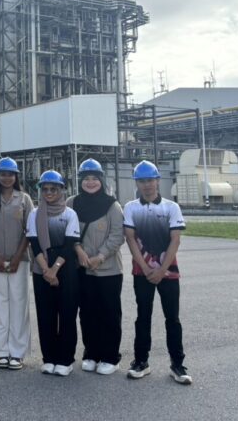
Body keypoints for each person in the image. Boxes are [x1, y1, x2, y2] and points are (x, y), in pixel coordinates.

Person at [124, 160, 192, 385]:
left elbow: (175, 240)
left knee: (172, 318)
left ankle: (177, 364)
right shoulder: (131, 207)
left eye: (150, 180)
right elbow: (130, 239)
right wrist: (146, 269)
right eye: (142, 181)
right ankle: (141, 362)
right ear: (137, 183)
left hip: (168, 271)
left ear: (157, 181)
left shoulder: (171, 207)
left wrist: (161, 270)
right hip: (141, 271)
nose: (147, 185)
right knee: (143, 316)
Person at [68, 159, 124, 376]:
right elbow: (68, 231)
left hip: (108, 269)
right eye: (86, 179)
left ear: (101, 180)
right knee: (87, 313)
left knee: (109, 313)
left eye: (94, 178)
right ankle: (91, 353)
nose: (90, 182)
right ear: (80, 181)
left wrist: (100, 256)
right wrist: (79, 251)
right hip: (82, 268)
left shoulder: (112, 205)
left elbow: (117, 235)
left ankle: (110, 357)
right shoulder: (72, 203)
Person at [26, 170, 81, 376]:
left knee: (67, 314)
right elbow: (34, 244)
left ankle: (65, 360)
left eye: (53, 189)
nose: (49, 193)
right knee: (45, 315)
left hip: (66, 268)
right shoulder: (34, 214)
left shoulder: (70, 214)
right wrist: (45, 270)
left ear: (61, 190)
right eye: (45, 189)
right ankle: (49, 358)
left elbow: (69, 245)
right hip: (42, 267)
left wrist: (54, 269)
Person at [0, 157, 33, 370]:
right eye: (3, 174)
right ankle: (2, 352)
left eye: (11, 174)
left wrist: (18, 257)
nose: (7, 178)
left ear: (16, 176)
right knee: (1, 305)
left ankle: (17, 352)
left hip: (20, 260)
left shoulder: (24, 199)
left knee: (19, 305)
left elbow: (29, 231)